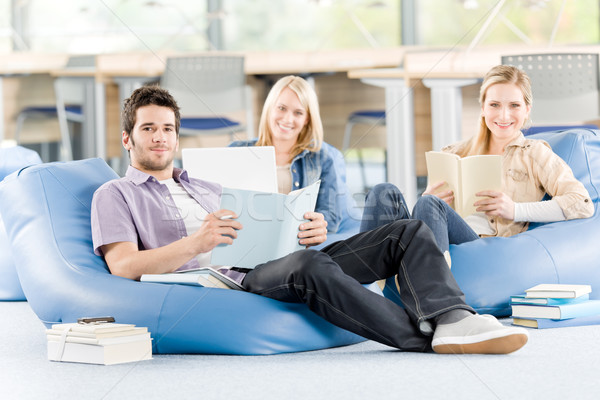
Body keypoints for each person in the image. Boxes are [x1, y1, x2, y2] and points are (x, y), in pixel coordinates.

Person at [90, 85, 529, 355]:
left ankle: (452, 317)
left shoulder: (206, 182)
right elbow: (123, 265)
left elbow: (260, 229)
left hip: (269, 260)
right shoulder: (114, 194)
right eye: (149, 128)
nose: (160, 137)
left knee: (406, 231)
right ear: (128, 138)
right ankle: (420, 337)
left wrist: (303, 230)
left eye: (167, 128)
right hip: (222, 279)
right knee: (311, 266)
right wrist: (198, 243)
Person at [360, 65, 594, 252]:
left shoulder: (534, 153)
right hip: (436, 238)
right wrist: (426, 200)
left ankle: (437, 287)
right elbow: (430, 215)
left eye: (514, 105)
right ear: (482, 107)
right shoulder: (453, 151)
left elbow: (582, 204)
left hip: (478, 246)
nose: (504, 115)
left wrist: (515, 210)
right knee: (384, 192)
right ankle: (350, 280)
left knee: (430, 205)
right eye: (494, 105)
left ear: (527, 110)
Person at [229, 75, 359, 235]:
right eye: (281, 108)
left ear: (307, 119)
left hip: (297, 241)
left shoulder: (322, 158)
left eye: (298, 113)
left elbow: (330, 219)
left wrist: (315, 225)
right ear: (270, 108)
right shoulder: (237, 151)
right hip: (246, 237)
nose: (287, 119)